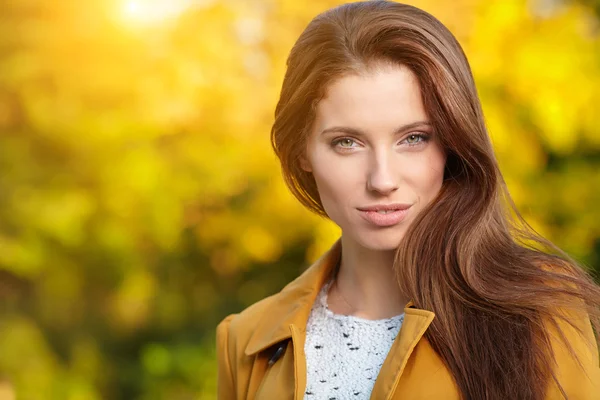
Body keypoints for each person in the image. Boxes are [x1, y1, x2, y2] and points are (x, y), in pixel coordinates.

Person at [216, 1, 600, 399]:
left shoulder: (542, 310)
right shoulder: (246, 341)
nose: (383, 180)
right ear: (301, 152)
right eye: (347, 142)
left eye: (413, 138)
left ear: (453, 143)